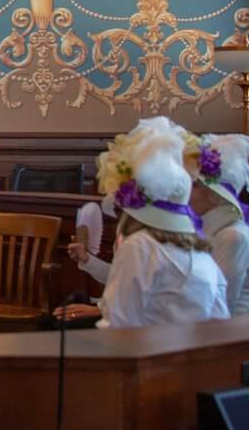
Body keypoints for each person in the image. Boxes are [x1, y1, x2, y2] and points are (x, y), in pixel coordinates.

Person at [61, 120, 230, 328]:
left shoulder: (140, 246)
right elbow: (220, 319)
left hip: (154, 354)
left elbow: (118, 325)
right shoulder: (200, 250)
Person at [187, 130, 249, 317]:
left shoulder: (234, 237)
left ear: (215, 196)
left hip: (239, 336)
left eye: (195, 186)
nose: (186, 193)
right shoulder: (205, 228)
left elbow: (221, 303)